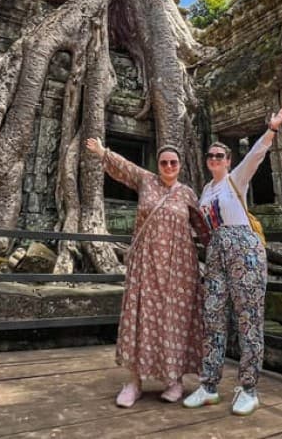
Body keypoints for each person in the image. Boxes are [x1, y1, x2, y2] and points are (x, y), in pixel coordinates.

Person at [182, 105, 282, 417]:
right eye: (210, 156)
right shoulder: (205, 190)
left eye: (219, 156)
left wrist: (271, 129)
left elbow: (256, 155)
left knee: (248, 318)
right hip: (216, 253)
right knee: (213, 316)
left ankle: (249, 388)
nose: (214, 160)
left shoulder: (235, 179)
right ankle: (209, 384)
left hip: (244, 249)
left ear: (227, 161)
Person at [84, 137, 207, 408]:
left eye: (173, 162)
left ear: (180, 166)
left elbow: (204, 228)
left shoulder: (186, 193)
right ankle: (135, 382)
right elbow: (125, 167)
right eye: (164, 162)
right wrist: (103, 152)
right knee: (140, 317)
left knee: (175, 320)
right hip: (146, 264)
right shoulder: (146, 181)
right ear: (158, 165)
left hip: (179, 269)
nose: (168, 166)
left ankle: (174, 381)